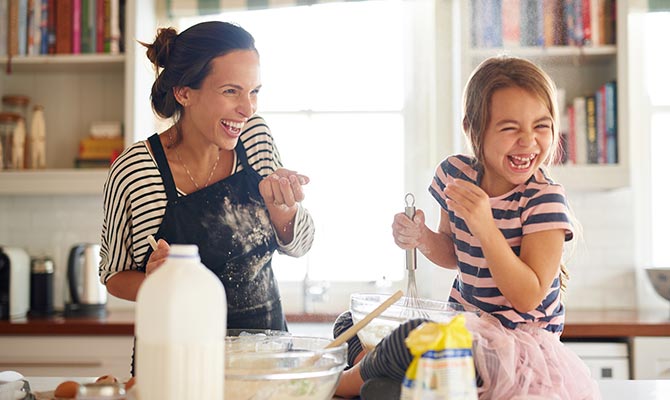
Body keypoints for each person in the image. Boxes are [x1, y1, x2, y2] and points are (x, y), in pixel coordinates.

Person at [334, 55, 600, 399]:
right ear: (472, 128)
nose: (528, 141)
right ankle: (382, 382)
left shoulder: (543, 200)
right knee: (350, 324)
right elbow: (454, 252)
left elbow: (527, 296)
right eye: (509, 128)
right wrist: (422, 238)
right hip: (464, 331)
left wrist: (485, 226)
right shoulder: (455, 175)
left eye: (541, 126)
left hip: (515, 350)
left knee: (410, 337)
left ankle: (338, 385)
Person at [99, 21, 314, 333]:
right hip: (175, 357)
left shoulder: (255, 139)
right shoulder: (136, 169)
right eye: (231, 91)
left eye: (254, 92)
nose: (247, 109)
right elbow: (114, 276)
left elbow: (300, 246)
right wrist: (154, 282)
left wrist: (283, 208)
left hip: (263, 357)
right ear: (184, 93)